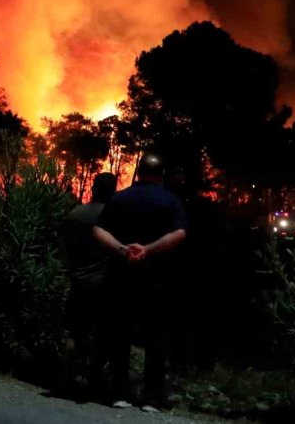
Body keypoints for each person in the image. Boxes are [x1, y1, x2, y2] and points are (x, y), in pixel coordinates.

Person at [93, 153, 187, 410]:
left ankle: (119, 393)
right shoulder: (170, 201)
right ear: (161, 175)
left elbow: (99, 230)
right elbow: (179, 233)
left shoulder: (119, 199)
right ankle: (151, 398)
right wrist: (149, 249)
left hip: (122, 276)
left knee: (120, 334)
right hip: (157, 279)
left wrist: (123, 249)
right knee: (155, 336)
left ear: (138, 172)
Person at [60, 172, 118, 396]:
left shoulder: (76, 213)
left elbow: (64, 247)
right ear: (113, 191)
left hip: (79, 282)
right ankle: (94, 382)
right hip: (105, 284)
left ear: (93, 188)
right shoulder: (114, 217)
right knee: (102, 336)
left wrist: (72, 270)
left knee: (75, 332)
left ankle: (68, 378)